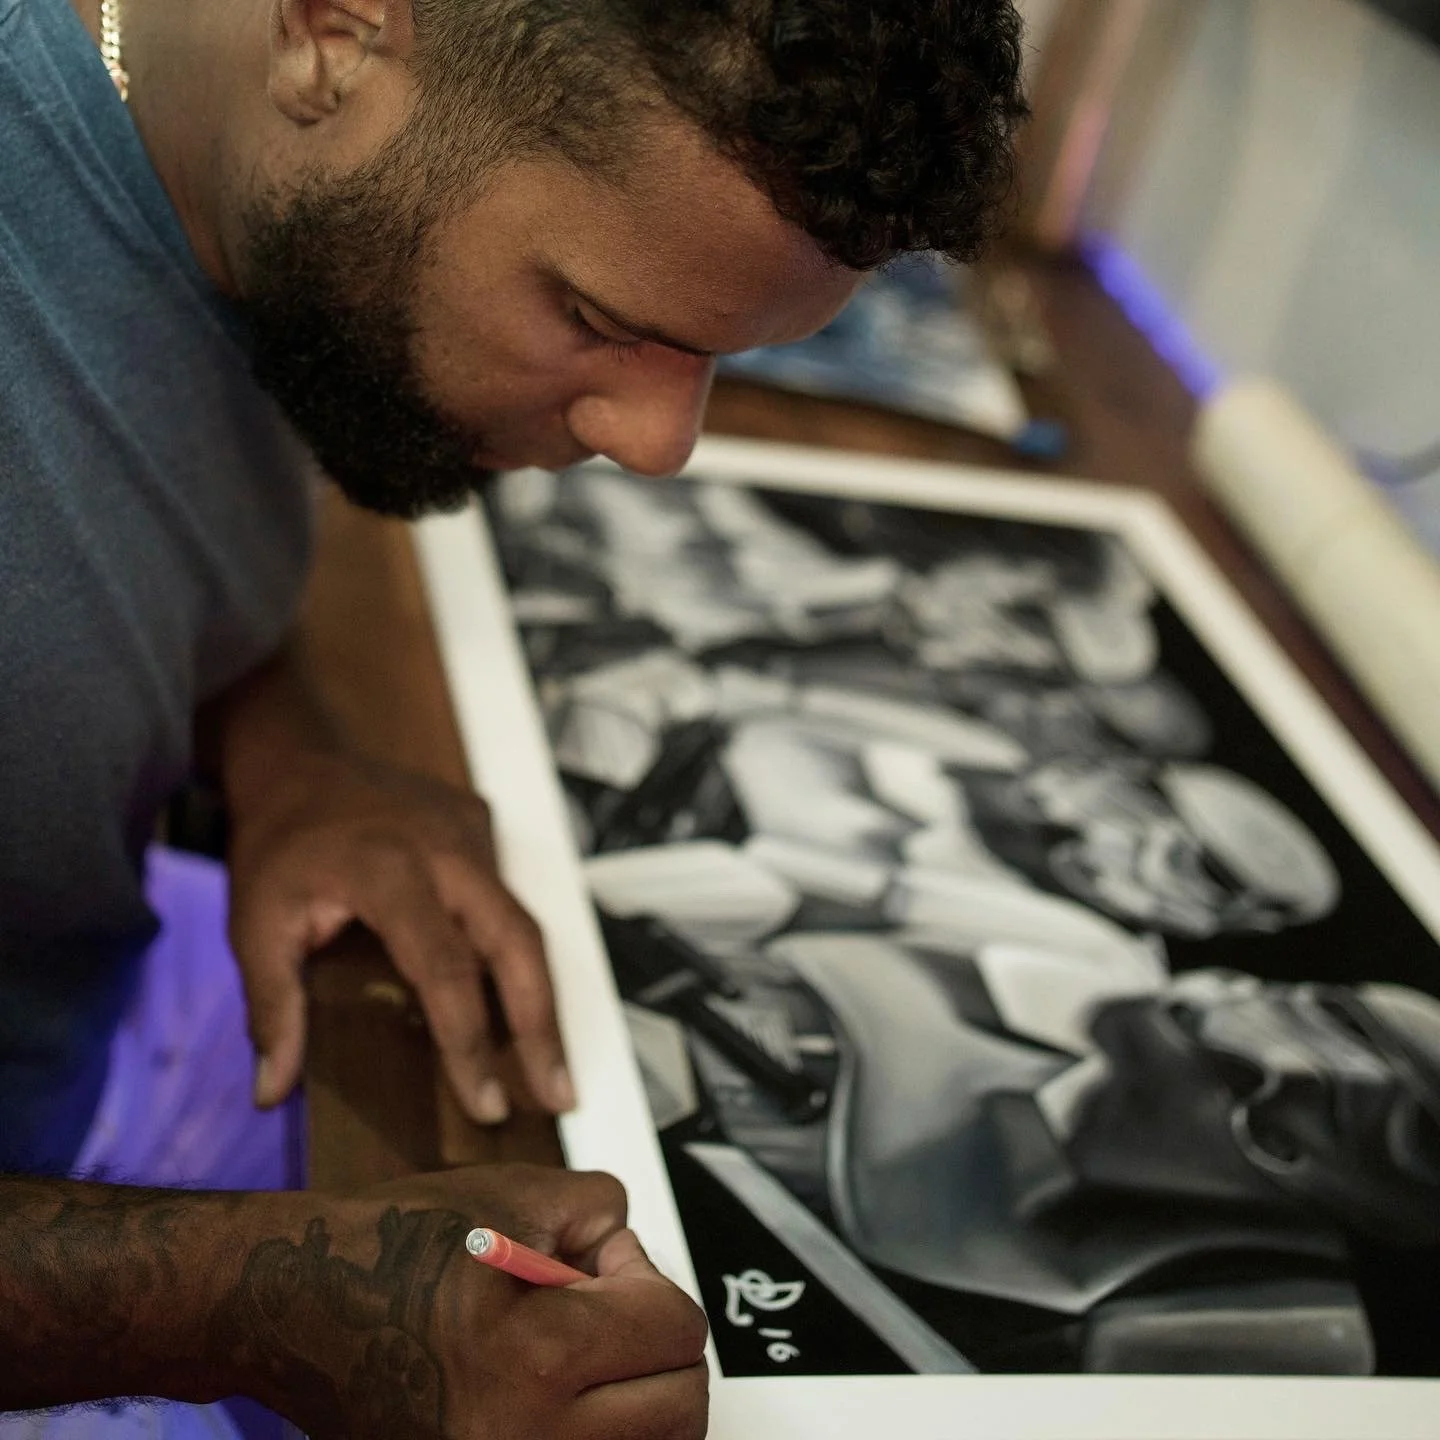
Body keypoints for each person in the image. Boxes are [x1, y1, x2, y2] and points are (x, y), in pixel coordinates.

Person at [0, 0, 1029, 1430]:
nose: (661, 447)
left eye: (723, 355)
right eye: (598, 317)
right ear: (331, 31)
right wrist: (251, 1298)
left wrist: (284, 752)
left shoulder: (247, 191)